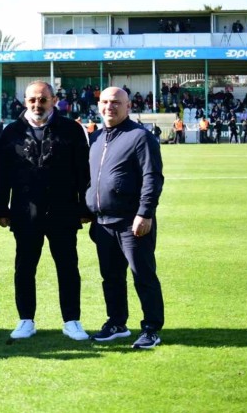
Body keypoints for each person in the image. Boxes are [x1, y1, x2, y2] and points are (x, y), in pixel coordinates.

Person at [0, 81, 91, 341]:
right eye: (32, 100)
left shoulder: (71, 129)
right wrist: (1, 208)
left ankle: (72, 320)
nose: (38, 104)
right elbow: (2, 174)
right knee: (24, 268)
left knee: (68, 267)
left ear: (54, 100)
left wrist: (85, 207)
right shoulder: (11, 131)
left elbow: (83, 172)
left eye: (43, 99)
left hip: (63, 211)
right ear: (25, 101)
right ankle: (26, 320)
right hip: (25, 213)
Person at [86, 87, 165, 349]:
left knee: (142, 275)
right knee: (111, 277)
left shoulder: (140, 137)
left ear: (128, 106)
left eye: (116, 102)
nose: (110, 106)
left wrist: (145, 213)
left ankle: (152, 328)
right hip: (102, 222)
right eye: (105, 102)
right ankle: (117, 323)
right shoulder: (96, 137)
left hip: (132, 221)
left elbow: (152, 177)